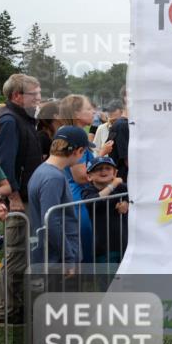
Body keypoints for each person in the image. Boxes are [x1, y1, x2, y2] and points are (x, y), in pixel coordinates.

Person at [0, 74, 43, 324]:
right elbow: (3, 162)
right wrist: (13, 196)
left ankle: (17, 307)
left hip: (26, 198)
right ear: (17, 96)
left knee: (24, 255)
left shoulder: (23, 119)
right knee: (15, 255)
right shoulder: (10, 121)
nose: (39, 99)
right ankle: (5, 312)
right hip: (17, 202)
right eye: (34, 94)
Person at [28, 126, 91, 269]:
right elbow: (51, 221)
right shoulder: (53, 178)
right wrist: (68, 258)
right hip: (57, 259)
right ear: (78, 151)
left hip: (53, 256)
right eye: (83, 152)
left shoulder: (43, 170)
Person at [58, 94, 99, 262]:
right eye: (88, 109)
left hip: (77, 197)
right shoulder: (75, 136)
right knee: (84, 252)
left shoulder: (70, 133)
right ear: (76, 113)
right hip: (79, 200)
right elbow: (80, 177)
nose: (93, 112)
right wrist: (109, 179)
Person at [80, 156, 129, 264]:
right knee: (107, 274)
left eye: (108, 168)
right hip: (103, 248)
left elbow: (135, 197)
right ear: (89, 176)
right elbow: (92, 201)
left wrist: (126, 203)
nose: (104, 171)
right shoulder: (88, 191)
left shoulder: (122, 188)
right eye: (98, 169)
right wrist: (113, 185)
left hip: (124, 242)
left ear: (115, 173)